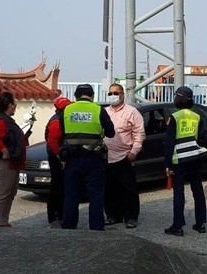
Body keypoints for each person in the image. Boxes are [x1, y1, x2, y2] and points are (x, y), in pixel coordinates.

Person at [60, 84, 115, 231]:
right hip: (93, 159)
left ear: (76, 96)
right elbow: (111, 133)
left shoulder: (67, 110)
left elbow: (61, 131)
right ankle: (96, 229)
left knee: (71, 196)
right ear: (92, 96)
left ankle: (68, 227)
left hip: (71, 159)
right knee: (95, 196)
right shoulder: (98, 110)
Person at [163, 86, 207, 236]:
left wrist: (168, 164)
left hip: (179, 159)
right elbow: (202, 139)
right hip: (195, 157)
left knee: (179, 192)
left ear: (179, 98)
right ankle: (201, 223)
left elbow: (169, 143)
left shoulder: (174, 117)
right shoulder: (197, 116)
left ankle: (177, 226)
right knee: (197, 190)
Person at [103, 83, 146, 229]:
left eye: (116, 93)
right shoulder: (104, 112)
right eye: (110, 93)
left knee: (128, 189)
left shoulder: (132, 112)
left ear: (122, 94)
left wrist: (134, 152)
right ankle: (112, 216)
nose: (113, 96)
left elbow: (139, 133)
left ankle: (131, 217)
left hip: (124, 156)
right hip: (106, 157)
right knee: (109, 188)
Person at [0, 91, 27, 227]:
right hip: (4, 163)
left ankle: (2, 221)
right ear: (10, 105)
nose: (15, 106)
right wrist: (3, 151)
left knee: (9, 193)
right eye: (14, 103)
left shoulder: (6, 120)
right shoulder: (2, 121)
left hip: (12, 162)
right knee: (2, 194)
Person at [44, 96, 72, 229]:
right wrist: (61, 159)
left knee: (59, 187)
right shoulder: (57, 122)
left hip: (56, 157)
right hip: (57, 159)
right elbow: (52, 142)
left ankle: (59, 216)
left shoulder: (57, 118)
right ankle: (55, 218)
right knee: (57, 188)